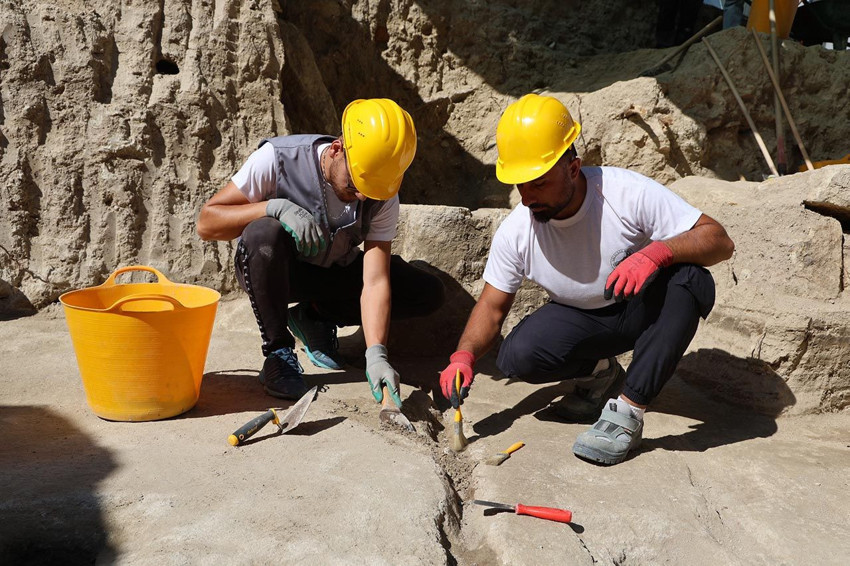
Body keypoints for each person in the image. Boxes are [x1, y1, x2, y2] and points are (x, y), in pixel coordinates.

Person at [439, 94, 734, 465]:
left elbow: (719, 240)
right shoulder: (517, 230)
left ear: (574, 168)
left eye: (539, 183)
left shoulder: (624, 192)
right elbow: (492, 306)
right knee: (517, 356)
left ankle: (628, 412)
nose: (528, 197)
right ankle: (601, 374)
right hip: (587, 320)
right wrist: (463, 356)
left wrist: (657, 252)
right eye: (520, 186)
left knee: (691, 278)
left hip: (647, 309)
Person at [198, 98, 445, 403]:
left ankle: (313, 317)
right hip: (275, 271)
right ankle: (278, 353)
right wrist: (272, 208)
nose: (360, 197)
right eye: (355, 186)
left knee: (424, 291)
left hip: (332, 271)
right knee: (263, 233)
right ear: (337, 149)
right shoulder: (278, 159)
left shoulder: (381, 194)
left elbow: (375, 280)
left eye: (370, 192)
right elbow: (207, 222)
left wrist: (376, 353)